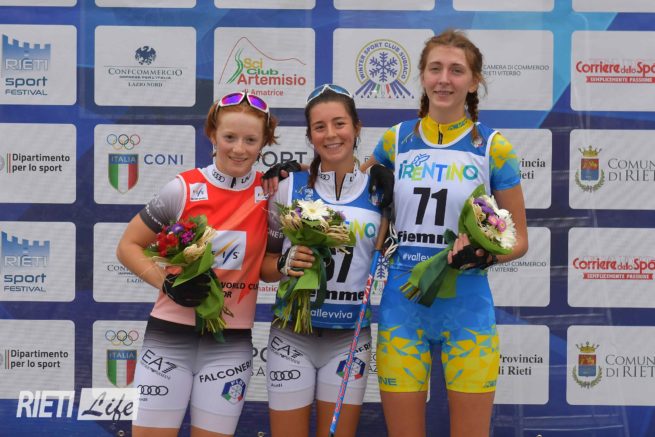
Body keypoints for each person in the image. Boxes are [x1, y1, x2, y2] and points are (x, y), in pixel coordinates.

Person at [360, 29, 529, 437]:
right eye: (435, 69)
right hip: (404, 306)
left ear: (473, 82)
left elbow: (520, 240)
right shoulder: (395, 140)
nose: (444, 79)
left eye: (456, 70)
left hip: (467, 309)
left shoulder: (494, 148)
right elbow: (351, 198)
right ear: (422, 76)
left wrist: (486, 254)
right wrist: (301, 176)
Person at [116, 91, 278, 437]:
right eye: (229, 137)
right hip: (169, 339)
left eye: (250, 140)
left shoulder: (271, 194)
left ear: (265, 142)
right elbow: (128, 246)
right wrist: (167, 284)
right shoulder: (183, 188)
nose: (239, 149)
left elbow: (267, 268)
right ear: (212, 134)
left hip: (229, 345)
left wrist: (292, 261)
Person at [260, 84, 385, 437]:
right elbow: (264, 267)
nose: (331, 134)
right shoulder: (287, 187)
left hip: (349, 338)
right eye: (319, 127)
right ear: (309, 135)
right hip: (291, 335)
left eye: (339, 123)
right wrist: (283, 264)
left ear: (357, 127)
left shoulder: (380, 192)